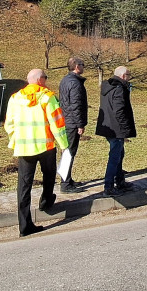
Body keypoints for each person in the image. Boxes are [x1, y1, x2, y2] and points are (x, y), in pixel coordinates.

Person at [3, 68, 69, 236]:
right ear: (40, 80)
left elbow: (8, 124)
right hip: (46, 147)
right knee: (49, 175)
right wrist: (64, 144)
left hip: (24, 148)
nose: (46, 80)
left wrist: (15, 141)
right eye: (45, 77)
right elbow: (57, 123)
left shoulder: (15, 98)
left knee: (24, 186)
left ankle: (24, 225)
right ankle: (46, 202)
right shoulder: (48, 97)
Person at [96, 65, 136, 197]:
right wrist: (125, 128)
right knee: (115, 157)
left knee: (119, 154)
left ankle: (120, 181)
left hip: (108, 126)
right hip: (117, 128)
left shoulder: (107, 86)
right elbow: (119, 111)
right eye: (128, 75)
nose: (129, 78)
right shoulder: (119, 89)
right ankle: (108, 186)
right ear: (123, 76)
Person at [57, 57, 88, 192]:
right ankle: (65, 184)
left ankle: (67, 179)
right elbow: (76, 105)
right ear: (76, 66)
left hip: (66, 120)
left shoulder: (65, 80)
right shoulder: (75, 83)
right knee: (69, 152)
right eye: (82, 64)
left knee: (67, 151)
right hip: (72, 123)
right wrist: (80, 124)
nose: (83, 67)